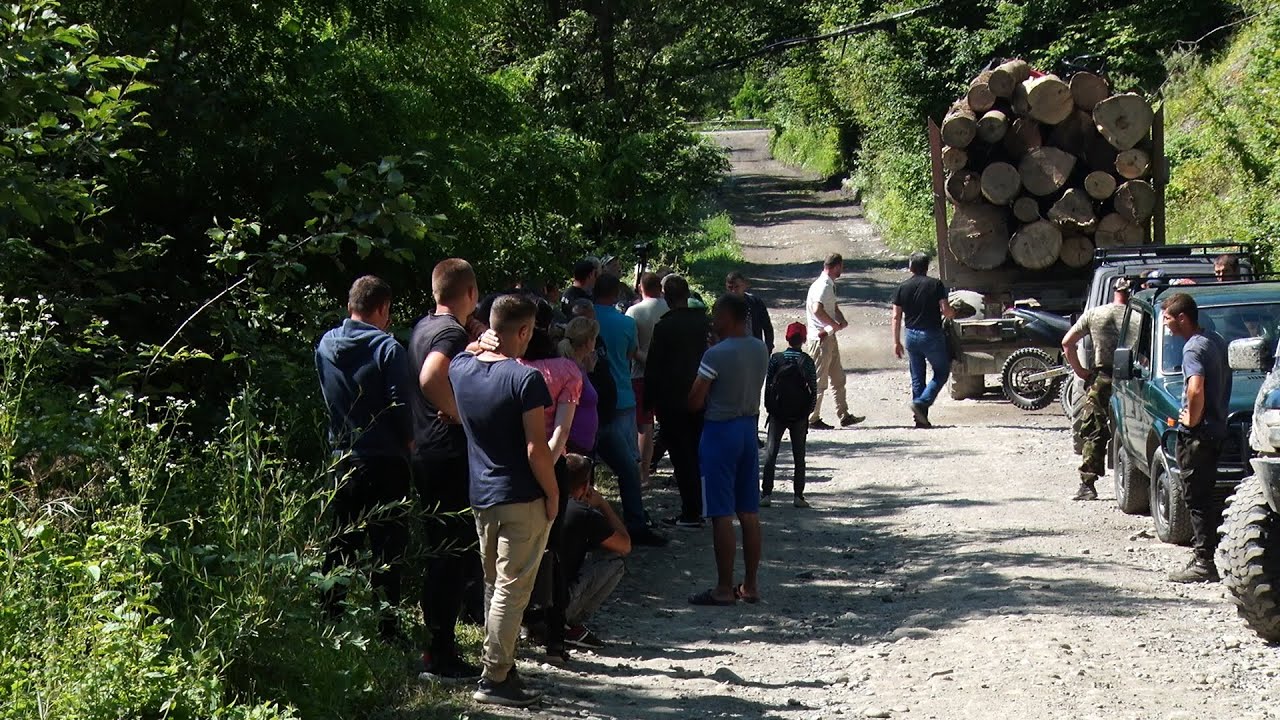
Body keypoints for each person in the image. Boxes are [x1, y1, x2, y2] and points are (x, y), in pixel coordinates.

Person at [449, 294, 557, 708]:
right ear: (525, 331)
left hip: (482, 495)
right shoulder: (525, 379)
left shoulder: (461, 369)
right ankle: (494, 676)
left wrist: (477, 343)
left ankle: (502, 666)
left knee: (495, 585)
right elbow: (536, 449)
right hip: (521, 497)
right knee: (511, 590)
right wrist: (553, 492)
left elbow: (463, 354)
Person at [315, 275, 414, 640]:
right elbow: (399, 404)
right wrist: (410, 440)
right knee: (388, 547)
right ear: (383, 308)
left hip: (341, 458)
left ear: (350, 305)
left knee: (339, 543)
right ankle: (388, 628)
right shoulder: (389, 350)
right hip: (385, 458)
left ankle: (328, 619)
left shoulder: (326, 344)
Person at [408, 259, 486, 680]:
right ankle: (441, 654)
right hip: (447, 453)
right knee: (451, 556)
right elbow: (431, 375)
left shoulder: (422, 326)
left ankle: (437, 646)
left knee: (441, 552)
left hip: (425, 450)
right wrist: (458, 413)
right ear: (471, 293)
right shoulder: (451, 333)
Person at [687, 294, 768, 606]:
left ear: (730, 317)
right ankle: (750, 585)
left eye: (717, 314)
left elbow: (694, 400)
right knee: (748, 511)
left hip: (720, 431)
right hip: (748, 428)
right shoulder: (759, 348)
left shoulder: (715, 355)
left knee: (720, 512)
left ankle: (723, 587)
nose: (713, 319)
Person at [594, 274, 667, 547]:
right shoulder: (625, 322)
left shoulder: (586, 320)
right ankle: (635, 519)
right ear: (615, 294)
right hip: (621, 397)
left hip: (588, 401)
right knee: (628, 464)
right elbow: (630, 354)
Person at [1162, 293, 1232, 583]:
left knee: (1196, 497)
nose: (1166, 325)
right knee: (1206, 494)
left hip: (1198, 435)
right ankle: (1211, 554)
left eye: (1167, 319)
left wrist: (1191, 418)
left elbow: (1195, 388)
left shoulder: (1193, 349)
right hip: (1216, 430)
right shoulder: (1214, 339)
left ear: (1182, 318)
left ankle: (1204, 563)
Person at [645, 275, 712, 528]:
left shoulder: (664, 327)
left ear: (665, 296)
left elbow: (653, 367)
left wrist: (648, 402)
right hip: (702, 396)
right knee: (698, 453)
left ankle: (691, 511)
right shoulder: (703, 323)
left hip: (671, 403)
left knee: (682, 459)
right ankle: (703, 506)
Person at [1061, 277, 1130, 501]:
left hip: (1102, 377)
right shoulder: (1140, 315)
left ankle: (1087, 485)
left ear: (1113, 291)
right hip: (1134, 378)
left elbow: (1067, 343)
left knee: (1094, 429)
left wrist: (1081, 372)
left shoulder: (1095, 314)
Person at [560, 454, 631, 649]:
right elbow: (625, 545)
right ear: (584, 487)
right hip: (560, 604)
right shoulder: (583, 514)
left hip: (527, 605)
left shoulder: (542, 503)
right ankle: (568, 623)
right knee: (615, 560)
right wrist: (602, 504)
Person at [891, 252, 955, 428]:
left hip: (911, 336)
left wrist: (896, 342)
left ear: (911, 267)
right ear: (927, 267)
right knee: (941, 372)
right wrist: (954, 313)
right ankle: (922, 403)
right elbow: (945, 310)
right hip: (932, 335)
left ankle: (920, 419)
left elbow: (896, 317)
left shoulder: (902, 288)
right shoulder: (936, 285)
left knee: (917, 377)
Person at [761, 322, 818, 509]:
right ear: (803, 339)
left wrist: (770, 408)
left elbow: (768, 386)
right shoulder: (807, 361)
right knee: (799, 455)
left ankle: (766, 494)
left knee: (771, 453)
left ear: (786, 338)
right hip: (799, 415)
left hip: (778, 413)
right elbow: (813, 389)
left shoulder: (776, 360)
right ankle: (798, 496)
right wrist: (807, 411)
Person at [806, 254, 864, 430]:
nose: (842, 270)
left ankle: (844, 415)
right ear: (836, 266)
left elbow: (831, 306)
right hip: (821, 338)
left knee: (838, 377)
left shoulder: (828, 285)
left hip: (829, 337)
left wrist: (840, 319)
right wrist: (833, 324)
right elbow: (817, 310)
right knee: (819, 380)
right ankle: (812, 417)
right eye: (841, 267)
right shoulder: (823, 286)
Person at [626, 272, 669, 489]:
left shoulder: (634, 311)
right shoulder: (668, 308)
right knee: (669, 423)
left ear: (640, 287)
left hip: (640, 373)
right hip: (669, 373)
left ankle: (642, 474)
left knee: (644, 426)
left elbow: (632, 348)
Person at [558, 317, 602, 456]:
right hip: (574, 443)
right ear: (589, 341)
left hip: (582, 443)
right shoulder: (571, 368)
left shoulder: (579, 366)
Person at [726, 271, 775, 352]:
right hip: (730, 352)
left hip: (754, 350)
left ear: (744, 285)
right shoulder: (722, 306)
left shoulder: (755, 303)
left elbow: (767, 327)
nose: (733, 291)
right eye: (730, 287)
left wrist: (768, 347)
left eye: (737, 287)